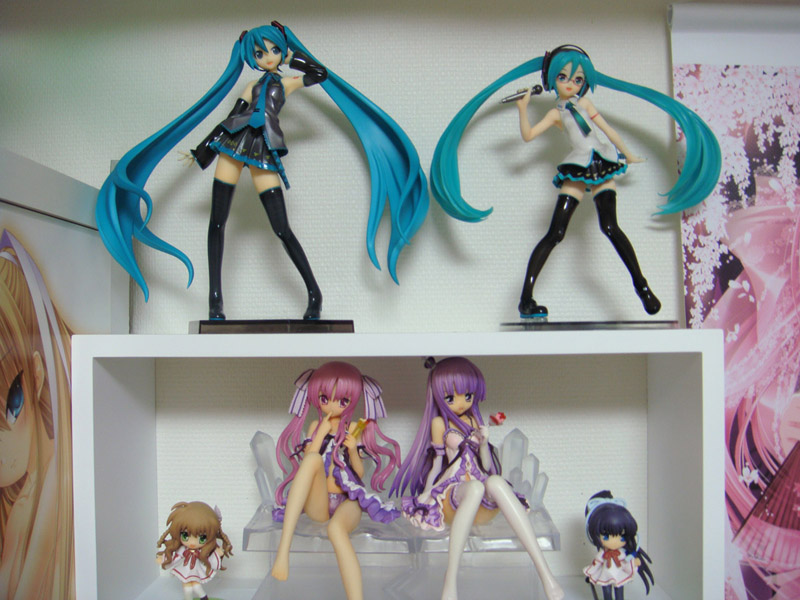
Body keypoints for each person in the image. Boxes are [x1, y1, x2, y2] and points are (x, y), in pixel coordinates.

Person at [430, 44, 720, 318]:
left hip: (603, 161)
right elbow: (528, 136)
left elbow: (607, 130)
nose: (570, 84)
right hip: (578, 166)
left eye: (578, 79)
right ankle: (526, 299)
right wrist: (522, 109)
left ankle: (642, 288)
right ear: (552, 80)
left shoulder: (586, 104)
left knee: (610, 226)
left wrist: (628, 153)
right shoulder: (555, 113)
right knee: (556, 232)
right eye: (563, 77)